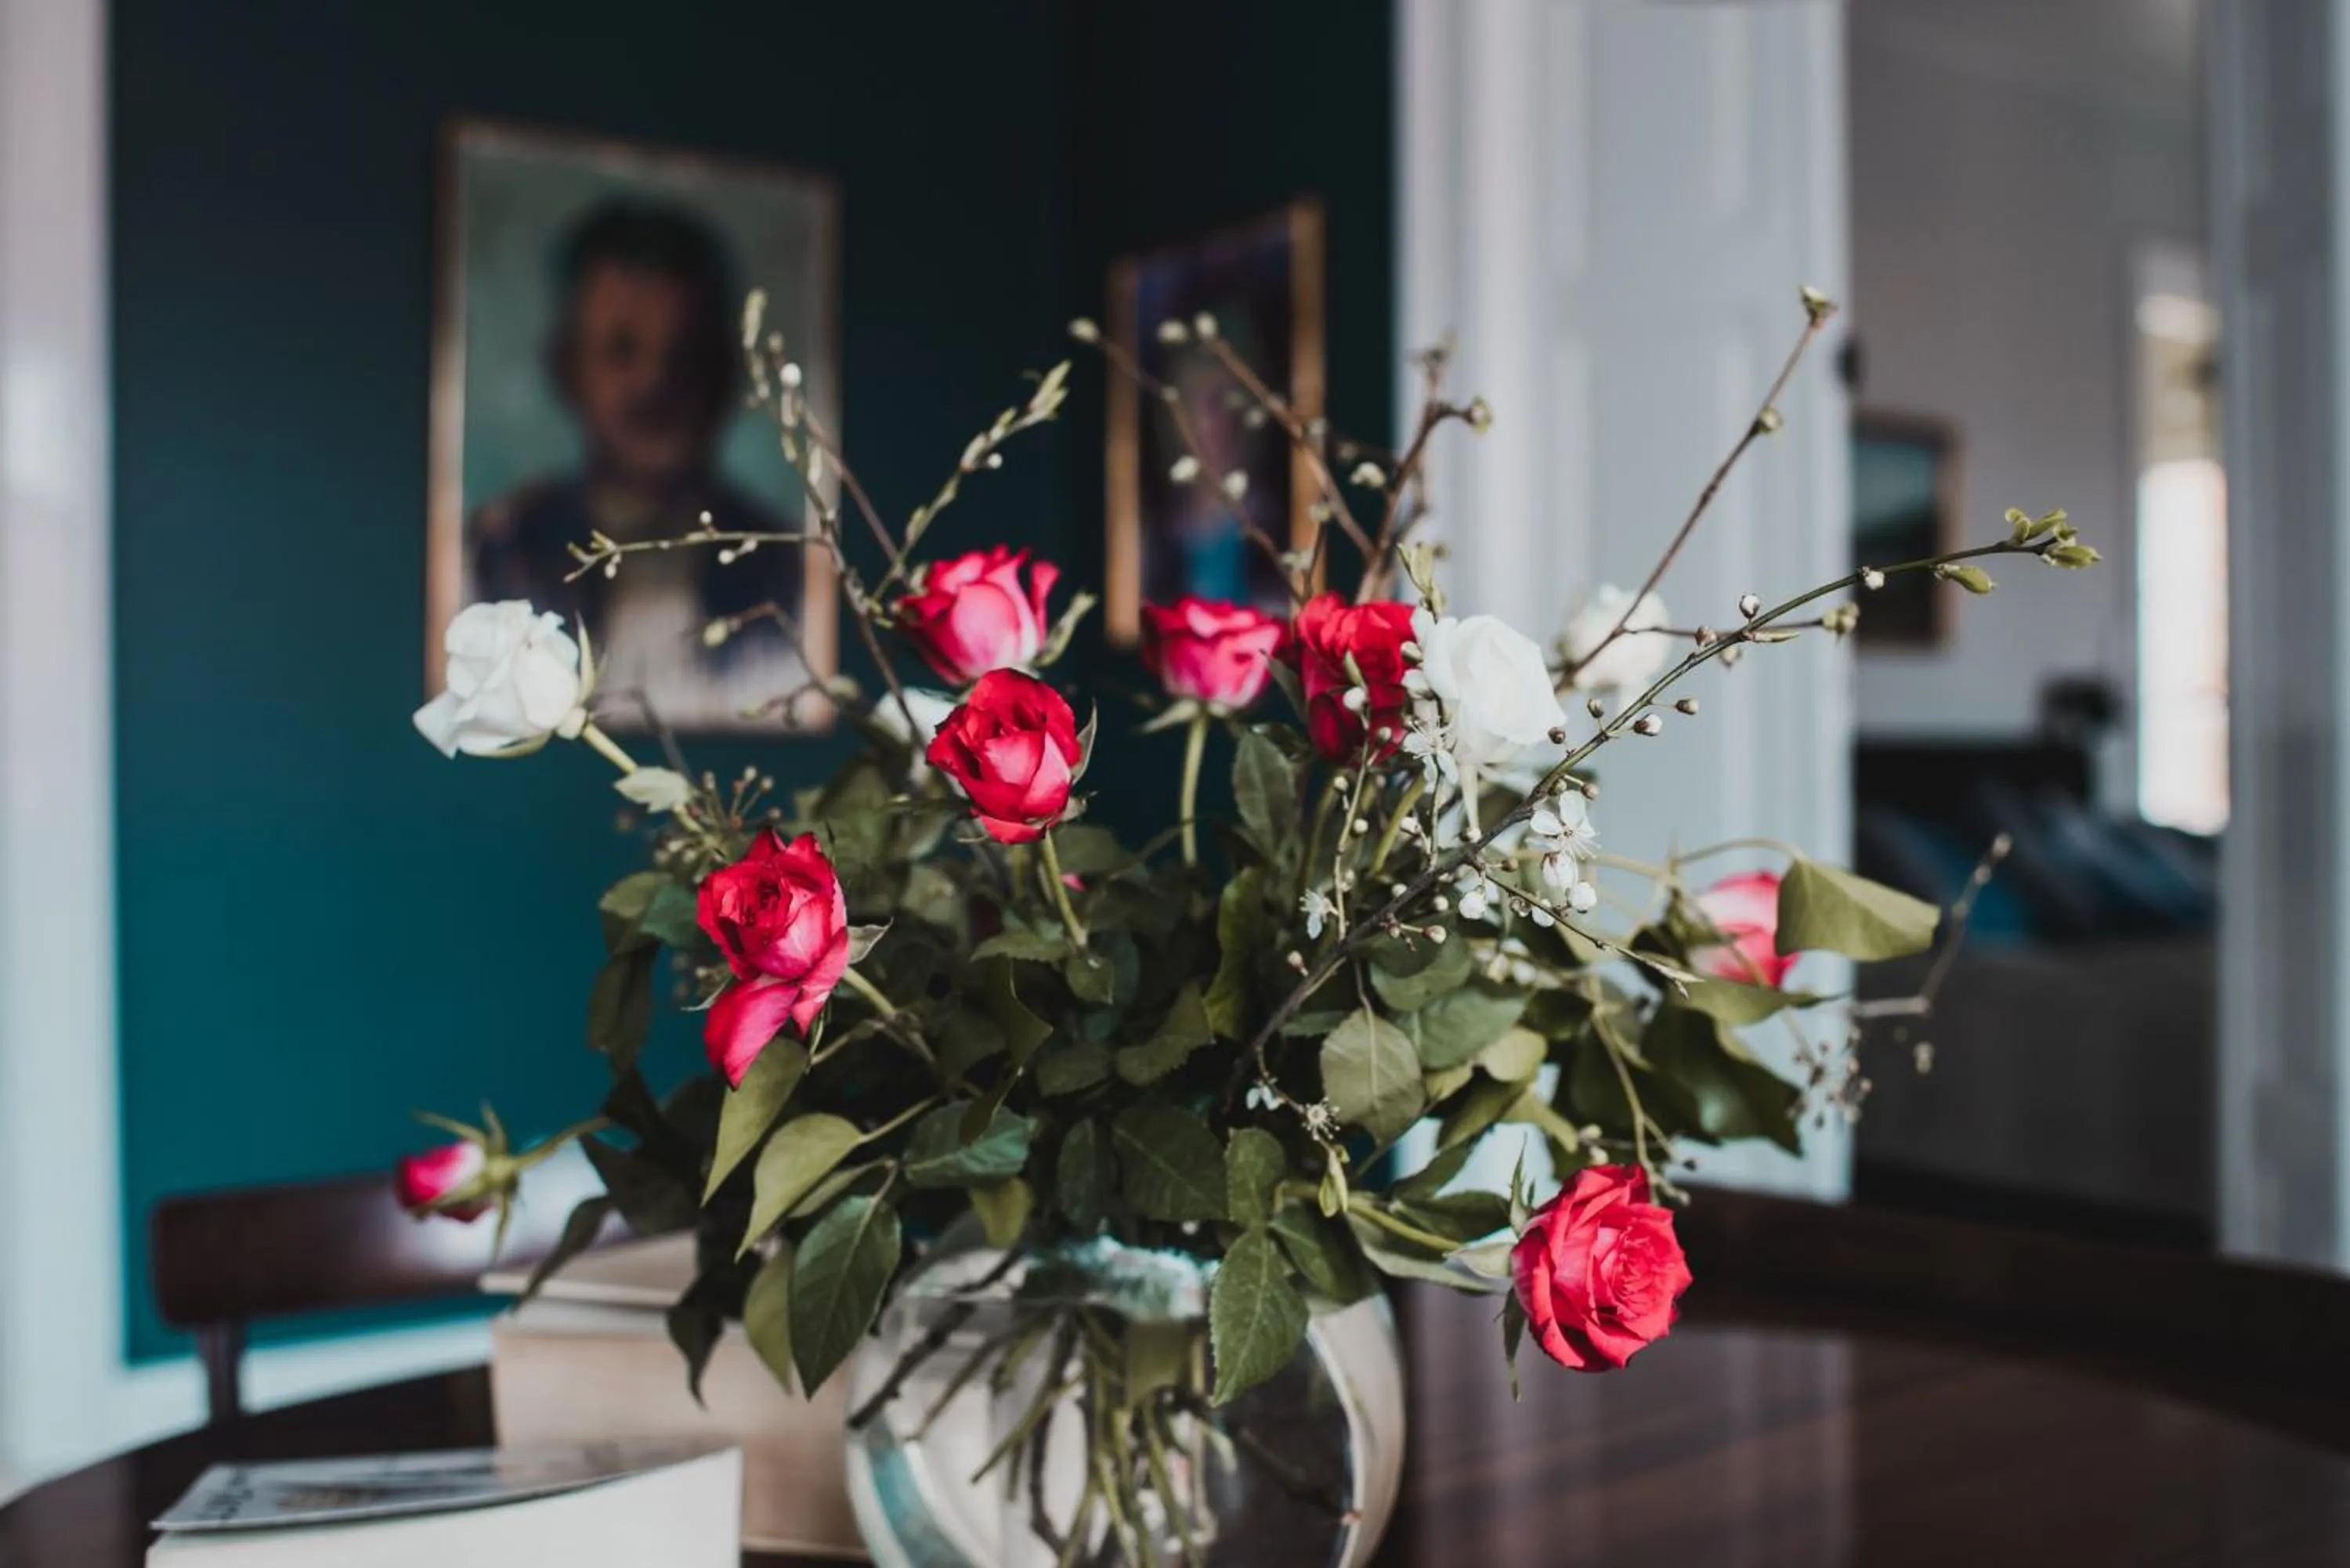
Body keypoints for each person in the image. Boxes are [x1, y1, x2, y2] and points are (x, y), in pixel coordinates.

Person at [468, 199, 805, 724]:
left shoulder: (790, 569)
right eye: (622, 351)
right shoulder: (494, 552)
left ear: (723, 376)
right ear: (567, 367)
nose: (655, 384)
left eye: (685, 356)